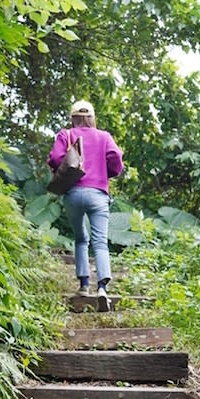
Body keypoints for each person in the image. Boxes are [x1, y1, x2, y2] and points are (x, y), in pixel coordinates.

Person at [48, 99, 124, 310]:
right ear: (91, 118)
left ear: (73, 118)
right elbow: (116, 158)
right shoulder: (104, 136)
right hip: (98, 194)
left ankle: (83, 285)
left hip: (73, 193)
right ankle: (102, 288)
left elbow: (55, 158)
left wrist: (59, 169)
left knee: (81, 239)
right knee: (100, 242)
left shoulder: (67, 134)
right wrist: (108, 172)